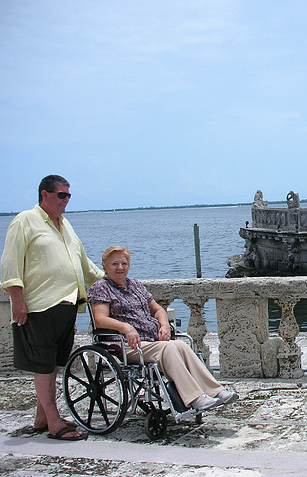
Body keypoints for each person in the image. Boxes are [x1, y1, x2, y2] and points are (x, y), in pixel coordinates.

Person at [1, 175, 104, 441]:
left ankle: (41, 416)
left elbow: (82, 261)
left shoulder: (65, 225)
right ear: (45, 194)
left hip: (68, 305)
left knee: (53, 364)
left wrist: (113, 282)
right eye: (62, 195)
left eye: (69, 196)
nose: (66, 200)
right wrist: (17, 301)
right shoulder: (24, 221)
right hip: (39, 306)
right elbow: (11, 265)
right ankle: (54, 422)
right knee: (44, 366)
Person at [88, 246, 238, 411]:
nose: (120, 267)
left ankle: (216, 391)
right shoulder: (101, 287)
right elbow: (100, 319)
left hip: (150, 341)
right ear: (105, 266)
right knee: (167, 349)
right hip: (125, 344)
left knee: (180, 345)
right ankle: (195, 398)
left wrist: (164, 325)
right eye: (114, 264)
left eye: (124, 263)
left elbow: (158, 309)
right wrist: (125, 327)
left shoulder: (135, 285)